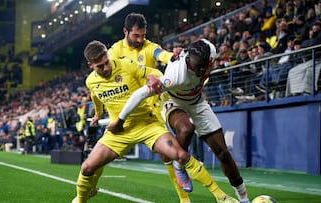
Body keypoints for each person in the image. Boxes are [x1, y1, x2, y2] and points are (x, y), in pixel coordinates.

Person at [72, 40, 238, 203]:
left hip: (147, 124)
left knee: (180, 155)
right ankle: (81, 199)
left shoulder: (126, 65)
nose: (106, 68)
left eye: (106, 62)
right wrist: (98, 113)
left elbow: (157, 74)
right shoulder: (90, 81)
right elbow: (95, 95)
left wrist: (152, 77)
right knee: (87, 167)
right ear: (90, 66)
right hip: (119, 131)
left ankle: (220, 196)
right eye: (100, 66)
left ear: (108, 55)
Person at [108, 12, 234, 203]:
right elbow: (104, 77)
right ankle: (83, 192)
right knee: (98, 159)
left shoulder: (150, 47)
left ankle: (192, 198)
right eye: (136, 35)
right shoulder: (114, 51)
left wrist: (174, 56)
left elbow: (163, 55)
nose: (141, 39)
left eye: (143, 35)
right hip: (128, 108)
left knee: (170, 156)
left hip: (152, 109)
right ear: (125, 31)